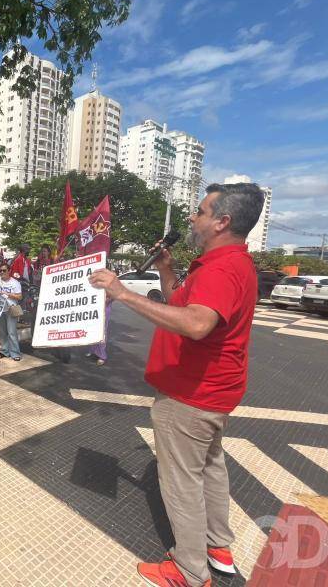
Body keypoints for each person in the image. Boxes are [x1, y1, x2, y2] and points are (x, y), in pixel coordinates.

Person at [89, 183, 265, 587]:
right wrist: (166, 269)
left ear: (222, 222)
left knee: (182, 482)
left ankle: (189, 570)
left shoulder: (221, 269)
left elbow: (197, 324)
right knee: (210, 467)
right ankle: (217, 546)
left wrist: (122, 294)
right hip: (212, 393)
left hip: (191, 396)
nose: (191, 217)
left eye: (200, 211)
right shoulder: (225, 263)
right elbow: (179, 304)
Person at [0, 263, 23, 361]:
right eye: (0, 270)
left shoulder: (15, 283)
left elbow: (19, 296)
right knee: (3, 332)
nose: (2, 272)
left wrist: (7, 294)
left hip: (11, 309)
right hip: (0, 309)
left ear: (9, 271)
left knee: (12, 332)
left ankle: (15, 353)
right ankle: (5, 351)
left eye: (4, 270)